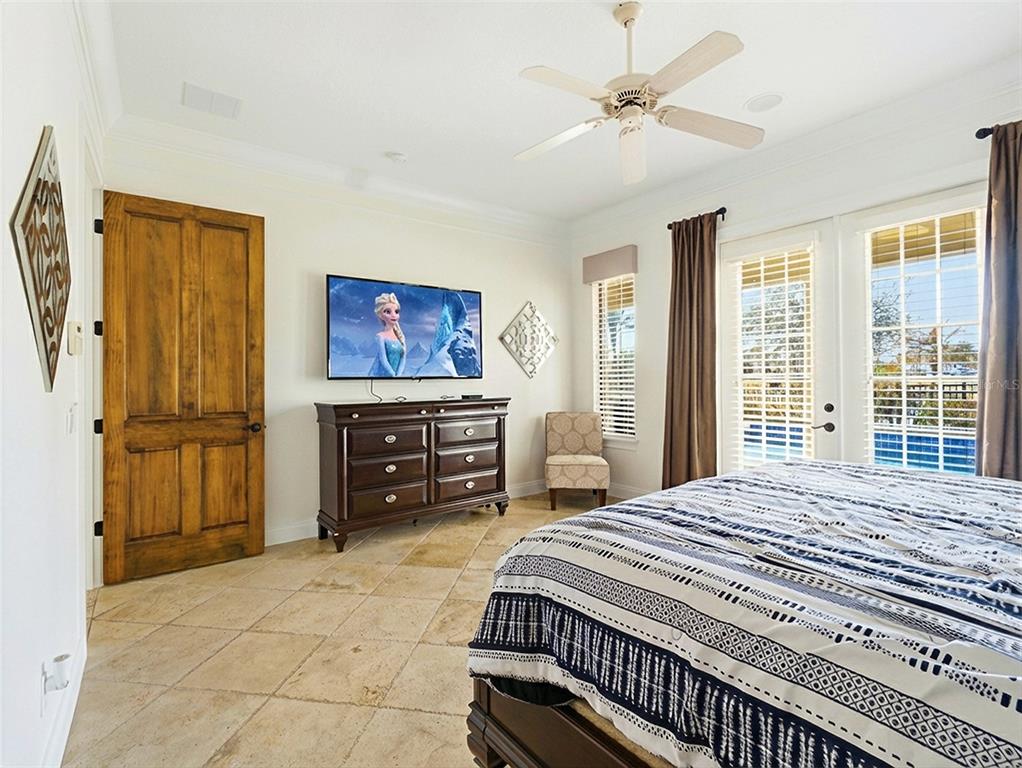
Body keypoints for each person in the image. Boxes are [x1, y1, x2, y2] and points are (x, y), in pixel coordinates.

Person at [368, 292, 406, 376]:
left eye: (396, 311)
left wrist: (398, 375)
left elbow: (403, 358)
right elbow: (383, 360)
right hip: (381, 377)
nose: (393, 315)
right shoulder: (380, 336)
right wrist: (393, 374)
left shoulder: (400, 337)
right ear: (381, 315)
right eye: (388, 312)